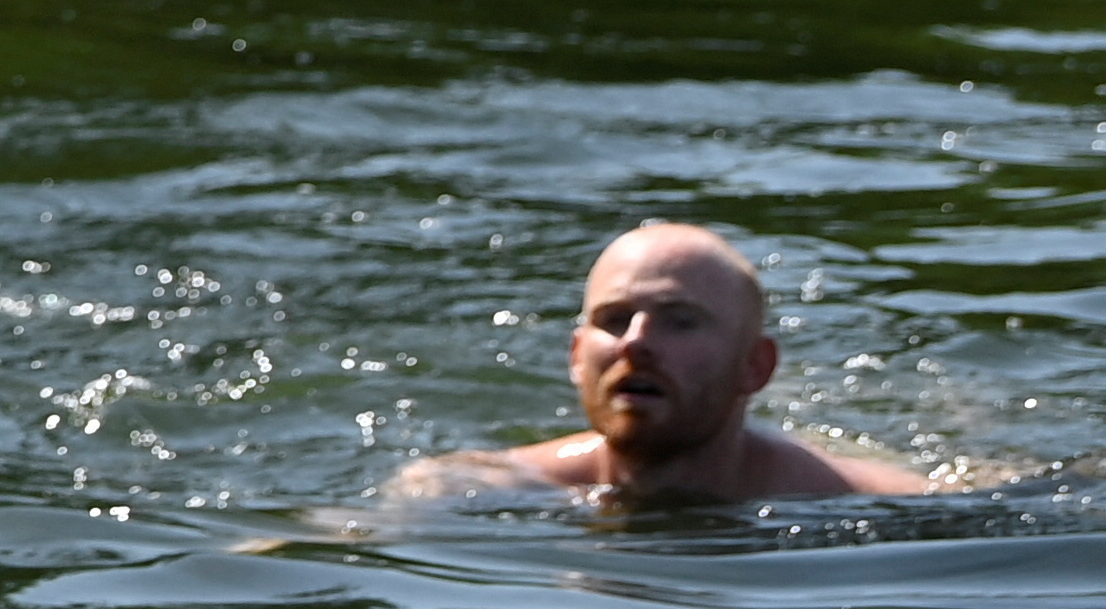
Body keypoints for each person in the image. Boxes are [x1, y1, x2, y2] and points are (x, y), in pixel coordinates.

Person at [389, 219, 930, 507]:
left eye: (681, 320)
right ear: (577, 357)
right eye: (615, 319)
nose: (636, 343)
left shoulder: (876, 505)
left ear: (755, 367)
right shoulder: (474, 488)